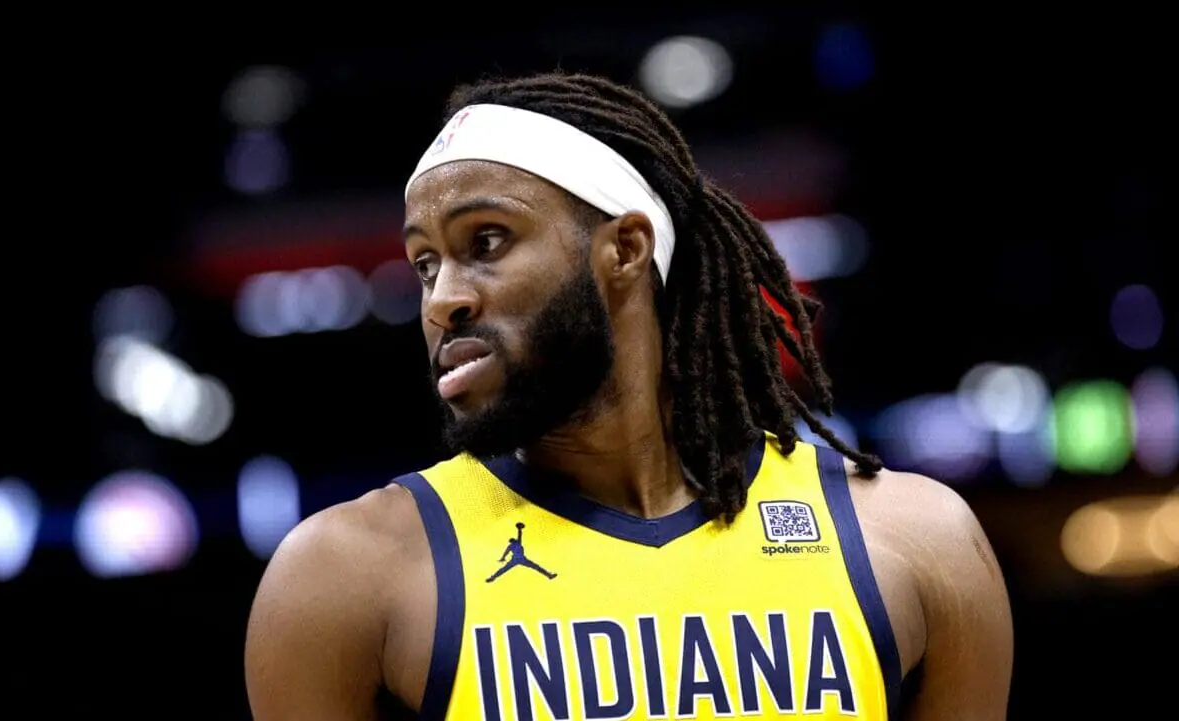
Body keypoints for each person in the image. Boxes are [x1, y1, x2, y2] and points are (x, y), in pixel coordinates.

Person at [244, 72, 1014, 720]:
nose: (443, 299)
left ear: (625, 248)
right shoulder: (345, 576)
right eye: (423, 264)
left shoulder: (917, 544)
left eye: (486, 242)